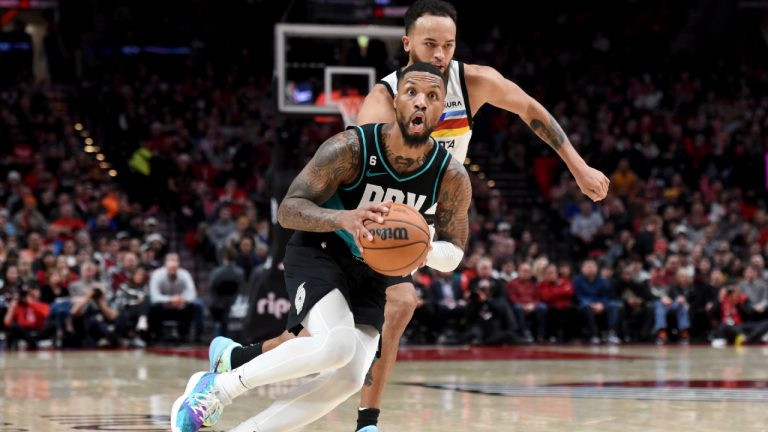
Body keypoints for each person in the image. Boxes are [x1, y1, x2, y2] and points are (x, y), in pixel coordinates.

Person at [208, 1, 610, 431]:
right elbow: (354, 183)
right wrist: (359, 231)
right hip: (370, 221)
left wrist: (578, 165)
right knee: (390, 309)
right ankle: (367, 420)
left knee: (334, 338)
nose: (440, 54)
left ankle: (237, 358)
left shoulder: (472, 81)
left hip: (420, 220)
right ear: (407, 44)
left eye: (448, 45)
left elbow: (531, 110)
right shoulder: (381, 101)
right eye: (430, 44)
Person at [170, 62, 472, 432]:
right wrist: (343, 219)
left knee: (347, 379)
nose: (421, 102)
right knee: (336, 346)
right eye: (411, 93)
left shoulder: (452, 176)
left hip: (376, 272)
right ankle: (217, 388)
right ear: (395, 103)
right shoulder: (351, 148)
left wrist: (425, 251)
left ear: (443, 110)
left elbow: (455, 249)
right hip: (321, 250)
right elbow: (288, 209)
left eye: (433, 96)